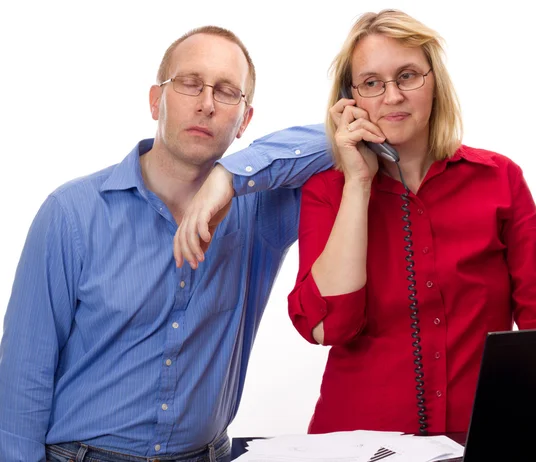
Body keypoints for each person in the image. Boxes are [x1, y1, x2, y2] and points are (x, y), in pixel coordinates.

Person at [0, 26, 331, 462]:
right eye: (190, 83)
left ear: (245, 121)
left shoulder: (260, 211)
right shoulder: (71, 212)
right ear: (156, 100)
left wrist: (230, 176)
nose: (207, 103)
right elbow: (23, 377)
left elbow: (351, 139)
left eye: (227, 92)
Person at [286, 9, 536, 435]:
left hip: (481, 436)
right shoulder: (327, 192)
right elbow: (328, 326)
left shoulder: (499, 179)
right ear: (350, 101)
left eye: (407, 75)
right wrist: (358, 184)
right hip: (357, 445)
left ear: (434, 83)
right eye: (372, 83)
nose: (392, 97)